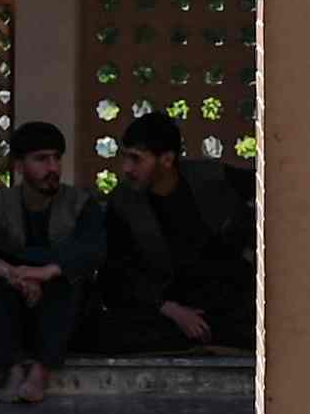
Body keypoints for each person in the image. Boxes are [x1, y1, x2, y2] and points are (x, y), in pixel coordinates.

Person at [0, 121, 99, 406]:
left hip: (60, 313)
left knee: (66, 283)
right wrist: (12, 274)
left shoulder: (80, 204)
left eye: (56, 158)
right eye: (41, 159)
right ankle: (13, 368)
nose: (52, 167)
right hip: (9, 307)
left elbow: (92, 249)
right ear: (19, 165)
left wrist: (44, 273)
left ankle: (41, 370)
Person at [84, 110, 249, 355]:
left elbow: (266, 193)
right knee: (99, 332)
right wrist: (169, 308)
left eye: (136, 159)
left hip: (222, 302)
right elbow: (115, 275)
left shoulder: (212, 179)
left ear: (167, 160)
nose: (127, 168)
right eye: (125, 158)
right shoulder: (124, 204)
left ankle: (209, 338)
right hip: (162, 309)